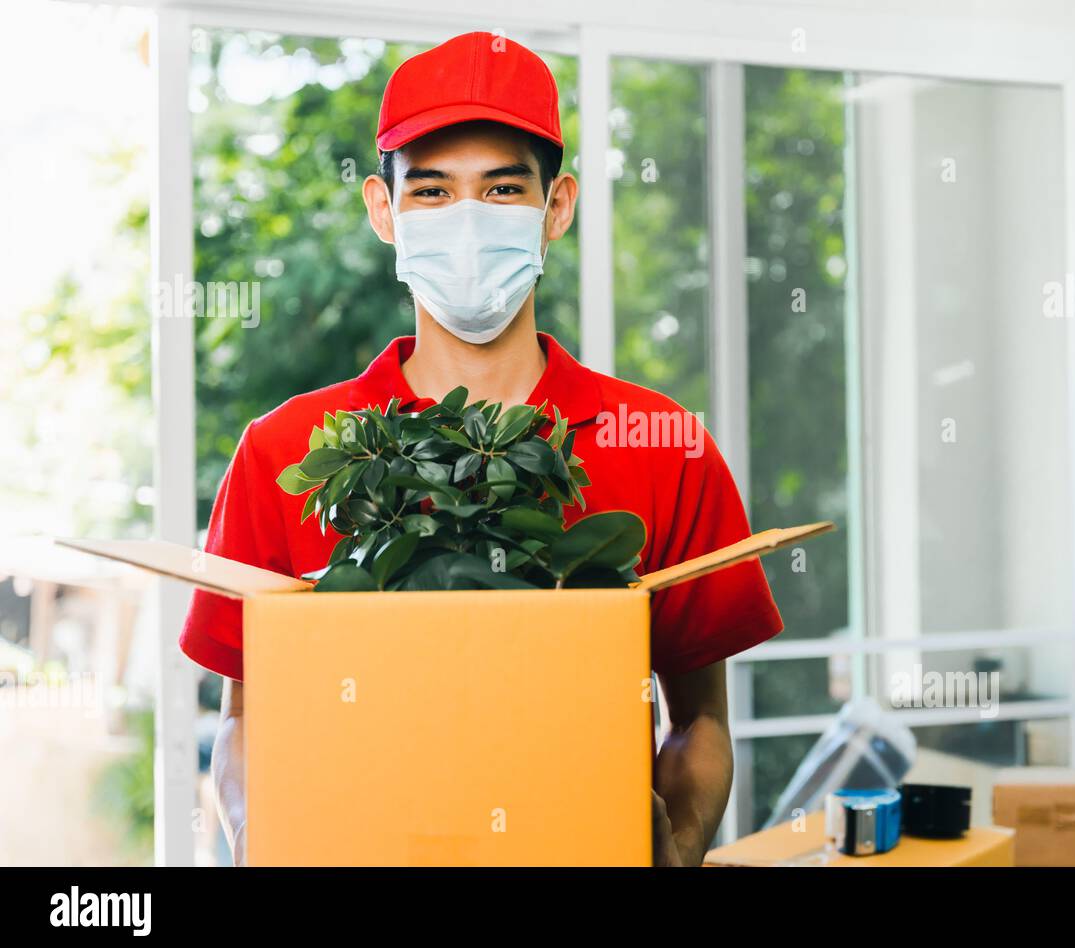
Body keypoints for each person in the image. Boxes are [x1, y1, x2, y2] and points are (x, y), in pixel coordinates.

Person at [180, 31, 783, 867]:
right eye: (431, 191)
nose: (467, 219)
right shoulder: (285, 452)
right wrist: (262, 843)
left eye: (502, 188)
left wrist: (672, 853)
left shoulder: (666, 445)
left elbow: (700, 722)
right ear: (383, 211)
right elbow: (247, 718)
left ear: (557, 206)